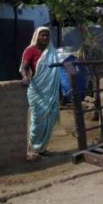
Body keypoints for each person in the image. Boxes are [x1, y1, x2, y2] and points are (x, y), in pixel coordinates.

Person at [20, 26, 60, 156]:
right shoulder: (30, 50)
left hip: (50, 92)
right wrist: (25, 76)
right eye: (42, 35)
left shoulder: (52, 51)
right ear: (37, 36)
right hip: (36, 90)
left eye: (47, 35)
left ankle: (42, 148)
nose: (45, 38)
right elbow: (24, 67)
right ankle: (33, 148)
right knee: (37, 120)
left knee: (49, 118)